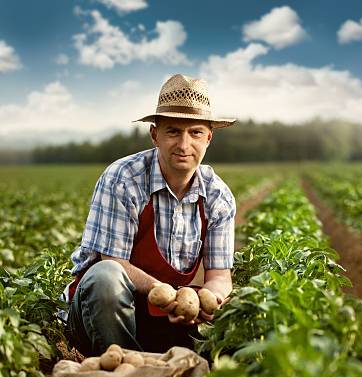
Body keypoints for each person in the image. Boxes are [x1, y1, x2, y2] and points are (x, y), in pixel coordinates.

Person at [63, 73, 236, 356]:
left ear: (209, 138)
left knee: (247, 309)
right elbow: (113, 261)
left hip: (165, 319)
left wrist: (209, 299)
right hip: (104, 315)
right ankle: (123, 369)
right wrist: (170, 295)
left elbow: (219, 275)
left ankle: (176, 372)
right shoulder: (123, 179)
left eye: (195, 133)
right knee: (106, 276)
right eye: (172, 131)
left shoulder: (218, 196)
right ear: (155, 134)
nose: (183, 145)